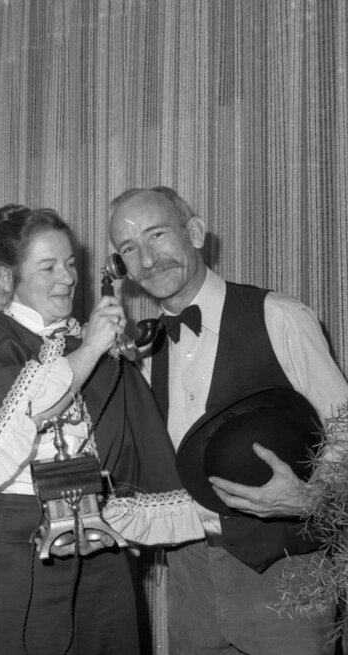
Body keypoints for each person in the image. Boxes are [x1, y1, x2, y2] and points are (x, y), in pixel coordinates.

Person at [0, 204, 184, 655]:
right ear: (5, 278)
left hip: (95, 535)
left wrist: (111, 357)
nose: (68, 278)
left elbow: (137, 447)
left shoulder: (91, 347)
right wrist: (92, 348)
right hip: (3, 538)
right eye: (49, 266)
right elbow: (32, 404)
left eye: (72, 264)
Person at [108, 185, 348, 654]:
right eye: (129, 249)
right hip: (189, 578)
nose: (148, 260)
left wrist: (309, 498)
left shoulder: (280, 316)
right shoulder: (142, 350)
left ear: (195, 232)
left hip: (286, 577)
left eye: (157, 235)